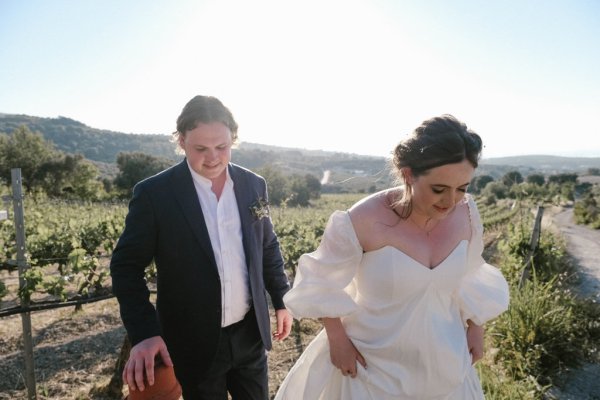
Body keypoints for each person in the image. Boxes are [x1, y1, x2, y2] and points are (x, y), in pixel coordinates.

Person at [274, 114, 510, 400]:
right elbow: (321, 282)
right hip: (369, 368)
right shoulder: (362, 219)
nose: (451, 202)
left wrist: (476, 327)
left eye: (462, 188)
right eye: (439, 189)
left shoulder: (468, 214)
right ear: (409, 174)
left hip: (445, 363)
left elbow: (471, 273)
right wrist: (337, 340)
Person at [110, 95, 293, 399]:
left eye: (222, 147)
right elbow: (125, 267)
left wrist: (282, 298)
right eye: (200, 149)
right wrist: (144, 333)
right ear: (181, 141)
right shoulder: (154, 194)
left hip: (250, 334)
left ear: (233, 140)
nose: (213, 158)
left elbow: (267, 244)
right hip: (193, 343)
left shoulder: (253, 185)